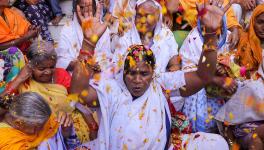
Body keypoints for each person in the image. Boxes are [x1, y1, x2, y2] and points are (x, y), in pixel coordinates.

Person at [69, 1, 232, 149]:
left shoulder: (160, 83)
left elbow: (203, 76)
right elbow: (77, 92)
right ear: (123, 71)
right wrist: (88, 45)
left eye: (144, 74)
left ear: (153, 73)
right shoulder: (112, 88)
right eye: (132, 73)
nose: (137, 80)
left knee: (217, 144)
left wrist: (210, 36)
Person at [0, 41, 98, 145]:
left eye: (51, 67)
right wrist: (19, 80)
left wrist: (93, 127)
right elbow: (2, 109)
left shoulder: (61, 74)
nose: (48, 72)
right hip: (37, 130)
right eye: (41, 68)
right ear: (30, 66)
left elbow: (78, 101)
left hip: (69, 124)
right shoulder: (22, 81)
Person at [179, 4, 238, 132]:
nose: (214, 26)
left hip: (222, 89)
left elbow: (233, 62)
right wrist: (216, 79)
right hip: (201, 88)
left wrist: (226, 69)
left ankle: (228, 129)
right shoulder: (193, 38)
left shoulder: (228, 37)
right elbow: (189, 73)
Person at [215, 4, 264, 149]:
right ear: (252, 20)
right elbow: (232, 66)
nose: (263, 27)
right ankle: (234, 130)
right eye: (260, 22)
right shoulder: (241, 40)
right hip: (246, 91)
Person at [0, 92, 73, 150]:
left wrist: (65, 129)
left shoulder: (40, 118)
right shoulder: (6, 141)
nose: (42, 129)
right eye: (38, 127)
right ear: (18, 123)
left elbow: (59, 134)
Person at [164, 0, 241, 50]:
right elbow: (170, 7)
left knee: (236, 8)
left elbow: (227, 13)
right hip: (193, 34)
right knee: (172, 39)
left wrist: (234, 29)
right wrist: (167, 13)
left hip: (217, 33)